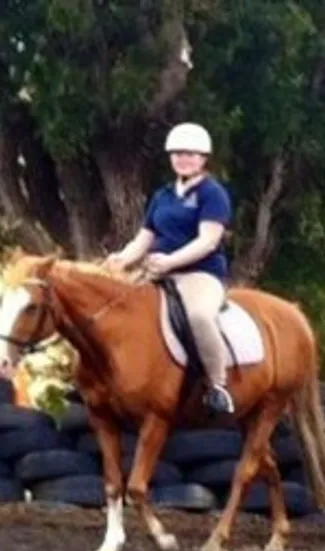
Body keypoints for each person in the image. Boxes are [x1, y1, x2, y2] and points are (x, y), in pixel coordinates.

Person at [101, 122, 236, 416]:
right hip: (157, 272)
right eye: (177, 153)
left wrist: (170, 261)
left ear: (203, 158)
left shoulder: (213, 194)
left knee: (199, 316)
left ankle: (217, 385)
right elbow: (145, 237)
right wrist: (122, 258)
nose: (183, 159)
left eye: (190, 154)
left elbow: (208, 241)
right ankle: (104, 378)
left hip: (200, 273)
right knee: (113, 308)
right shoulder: (162, 195)